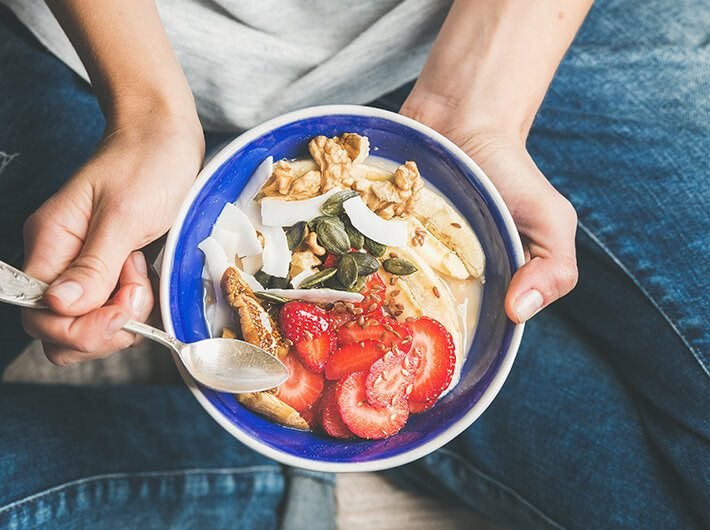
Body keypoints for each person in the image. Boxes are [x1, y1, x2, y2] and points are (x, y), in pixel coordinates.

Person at [0, 0, 707, 528]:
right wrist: (146, 111)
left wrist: (481, 102)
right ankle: (264, 482)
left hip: (502, 34)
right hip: (102, 50)